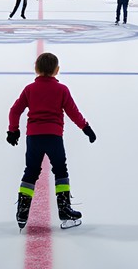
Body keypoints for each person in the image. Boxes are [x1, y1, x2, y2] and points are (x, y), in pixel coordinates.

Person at [6, 52, 96, 230]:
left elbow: (14, 111)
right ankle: (64, 210)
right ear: (57, 70)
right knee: (60, 171)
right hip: (54, 137)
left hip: (34, 137)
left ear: (36, 69)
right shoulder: (61, 90)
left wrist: (13, 131)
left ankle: (22, 210)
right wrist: (86, 128)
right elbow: (73, 112)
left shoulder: (29, 89)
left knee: (31, 171)